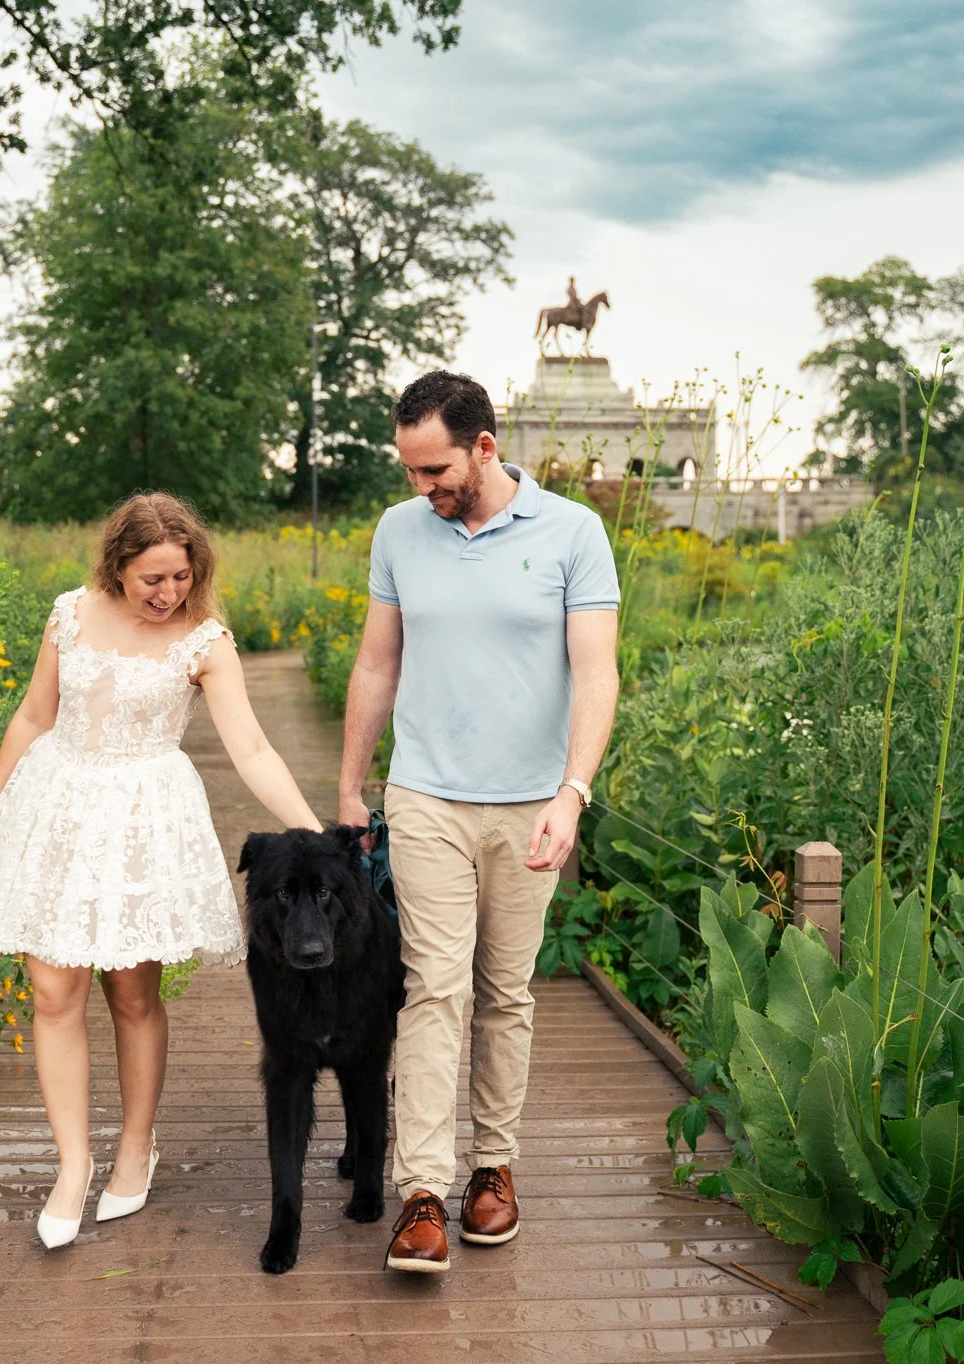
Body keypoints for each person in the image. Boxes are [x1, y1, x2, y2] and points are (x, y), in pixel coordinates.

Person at [0, 492, 322, 1250]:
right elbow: (33, 716)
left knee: (132, 996)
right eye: (153, 579)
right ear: (118, 565)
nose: (169, 593)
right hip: (56, 807)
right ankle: (72, 1166)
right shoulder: (70, 613)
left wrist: (314, 832)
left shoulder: (205, 642)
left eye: (182, 577)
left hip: (141, 821)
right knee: (53, 990)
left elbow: (252, 749)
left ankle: (136, 1146)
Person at [337, 371, 621, 1274]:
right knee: (434, 987)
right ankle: (421, 1191)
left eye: (435, 469)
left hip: (533, 806)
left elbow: (597, 673)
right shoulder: (398, 531)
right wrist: (349, 785)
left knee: (505, 991)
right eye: (410, 470)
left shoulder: (573, 532)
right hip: (426, 797)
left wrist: (573, 793)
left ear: (485, 447)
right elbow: (377, 664)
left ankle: (493, 1168)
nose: (421, 486)